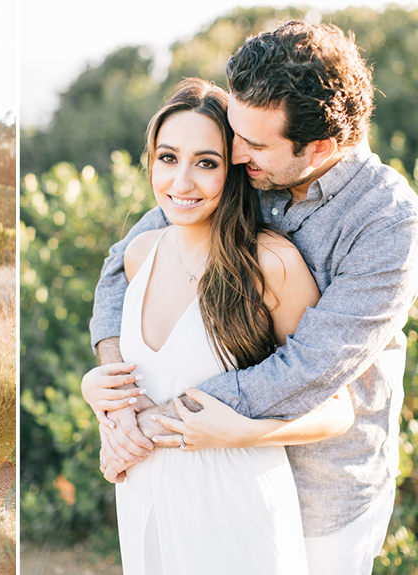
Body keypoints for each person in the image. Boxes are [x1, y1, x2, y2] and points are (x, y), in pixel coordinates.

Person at [85, 22, 418, 575]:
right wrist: (115, 390)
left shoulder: (387, 224)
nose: (235, 153)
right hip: (200, 471)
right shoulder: (242, 169)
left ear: (321, 147)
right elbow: (123, 266)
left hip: (322, 488)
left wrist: (156, 422)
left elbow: (307, 368)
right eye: (235, 133)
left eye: (255, 144)